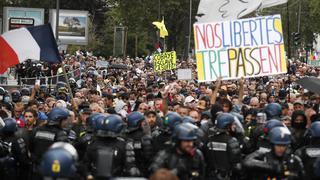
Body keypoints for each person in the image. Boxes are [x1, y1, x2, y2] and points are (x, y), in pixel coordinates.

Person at [84, 114, 140, 179]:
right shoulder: (124, 145)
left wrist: (88, 175)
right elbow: (130, 168)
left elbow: (84, 165)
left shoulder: (93, 144)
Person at [204, 113, 242, 179]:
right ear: (227, 126)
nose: (235, 126)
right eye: (233, 124)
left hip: (210, 175)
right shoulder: (232, 141)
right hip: (226, 176)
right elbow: (236, 166)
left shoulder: (209, 139)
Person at [125, 111, 153, 176]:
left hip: (126, 172)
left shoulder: (124, 136)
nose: (145, 123)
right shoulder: (145, 137)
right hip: (141, 172)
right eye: (143, 122)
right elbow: (148, 158)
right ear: (138, 123)